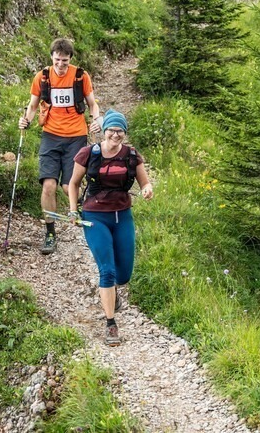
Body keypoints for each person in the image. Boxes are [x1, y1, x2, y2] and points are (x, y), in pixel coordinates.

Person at [67, 109, 153, 346]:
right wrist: (73, 209)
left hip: (122, 215)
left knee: (123, 275)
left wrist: (147, 189)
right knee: (107, 270)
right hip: (95, 216)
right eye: (112, 130)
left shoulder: (132, 155)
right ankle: (110, 324)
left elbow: (144, 181)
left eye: (120, 131)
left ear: (125, 133)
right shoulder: (88, 154)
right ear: (104, 132)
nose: (116, 135)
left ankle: (112, 292)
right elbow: (73, 184)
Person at [19, 38, 102, 254]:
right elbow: (33, 105)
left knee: (68, 187)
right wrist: (25, 120)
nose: (60, 65)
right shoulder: (42, 77)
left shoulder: (80, 76)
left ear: (70, 59)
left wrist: (96, 119)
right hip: (51, 136)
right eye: (57, 60)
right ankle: (50, 233)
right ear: (51, 57)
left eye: (64, 61)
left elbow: (93, 104)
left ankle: (92, 214)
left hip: (76, 136)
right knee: (48, 185)